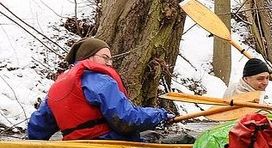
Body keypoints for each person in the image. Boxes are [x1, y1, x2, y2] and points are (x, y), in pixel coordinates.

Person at [27, 37, 172, 141]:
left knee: (150, 135)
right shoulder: (101, 81)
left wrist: (30, 144)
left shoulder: (57, 86)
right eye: (105, 57)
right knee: (178, 139)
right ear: (87, 57)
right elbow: (126, 119)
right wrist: (161, 115)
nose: (109, 63)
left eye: (110, 59)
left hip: (74, 145)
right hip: (109, 142)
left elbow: (38, 127)